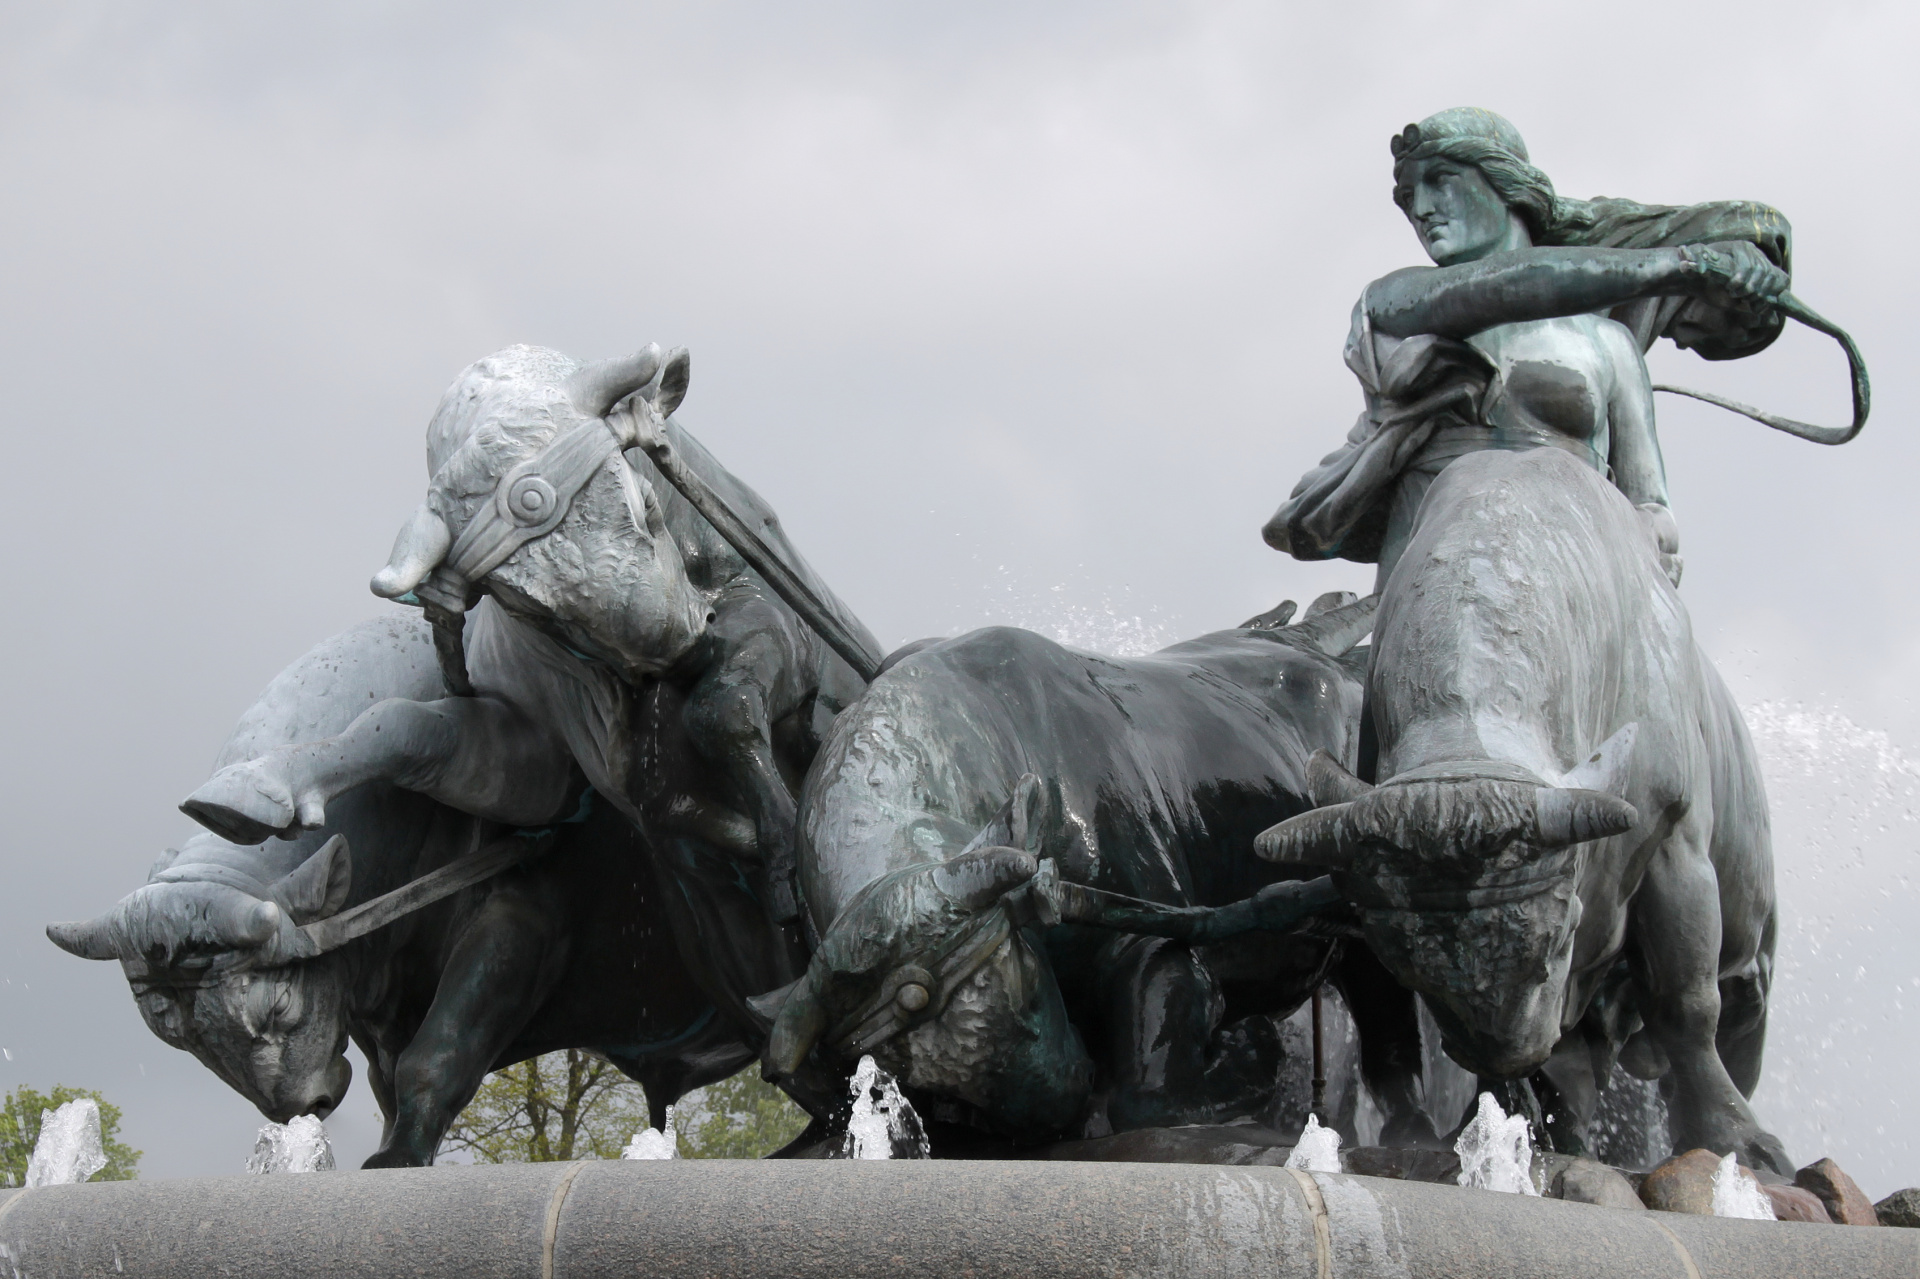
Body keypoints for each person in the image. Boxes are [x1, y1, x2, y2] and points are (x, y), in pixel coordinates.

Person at [1265, 107, 1791, 594]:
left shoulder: (1609, 345)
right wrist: (1688, 265)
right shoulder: (1395, 299)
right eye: (1408, 196)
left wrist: (1652, 544)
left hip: (1572, 594)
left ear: (1507, 187)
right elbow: (1504, 284)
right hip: (1426, 593)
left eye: (1440, 182)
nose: (1421, 209)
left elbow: (1649, 501)